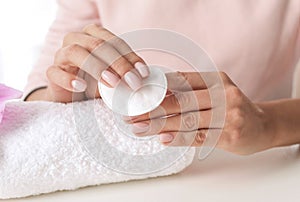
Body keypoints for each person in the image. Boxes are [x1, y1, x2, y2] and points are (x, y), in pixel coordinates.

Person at [25, 0, 300, 155]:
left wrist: (269, 124)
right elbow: (33, 94)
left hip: (261, 168)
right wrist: (61, 95)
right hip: (133, 172)